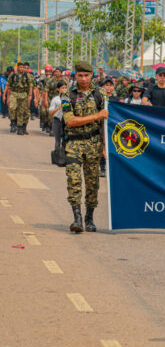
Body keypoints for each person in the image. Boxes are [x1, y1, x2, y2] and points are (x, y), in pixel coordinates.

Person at [62, 61, 109, 233]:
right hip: (73, 143)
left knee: (92, 184)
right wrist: (97, 115)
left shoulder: (101, 94)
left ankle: (89, 218)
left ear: (92, 76)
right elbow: (70, 121)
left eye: (86, 75)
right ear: (75, 76)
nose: (83, 79)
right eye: (80, 75)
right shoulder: (67, 94)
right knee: (73, 181)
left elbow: (106, 123)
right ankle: (77, 218)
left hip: (93, 144)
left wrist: (105, 146)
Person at [4, 62, 34, 135]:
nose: (21, 69)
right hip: (14, 93)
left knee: (21, 111)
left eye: (22, 67)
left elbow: (30, 86)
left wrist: (30, 95)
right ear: (17, 68)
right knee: (12, 108)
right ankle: (13, 122)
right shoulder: (12, 75)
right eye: (20, 67)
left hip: (23, 94)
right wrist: (4, 94)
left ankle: (20, 128)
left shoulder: (27, 76)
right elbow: (8, 85)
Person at [48, 80, 68, 155]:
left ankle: (64, 156)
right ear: (58, 89)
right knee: (57, 140)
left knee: (65, 140)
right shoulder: (55, 99)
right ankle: (57, 156)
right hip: (57, 120)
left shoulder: (67, 99)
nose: (64, 89)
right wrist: (59, 107)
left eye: (65, 88)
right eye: (62, 88)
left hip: (66, 121)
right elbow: (51, 112)